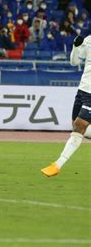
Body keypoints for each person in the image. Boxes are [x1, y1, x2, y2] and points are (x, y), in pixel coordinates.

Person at [41, 34, 90, 177]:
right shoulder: (88, 40)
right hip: (83, 90)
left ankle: (58, 164)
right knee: (77, 126)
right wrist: (76, 46)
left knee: (80, 125)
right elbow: (74, 62)